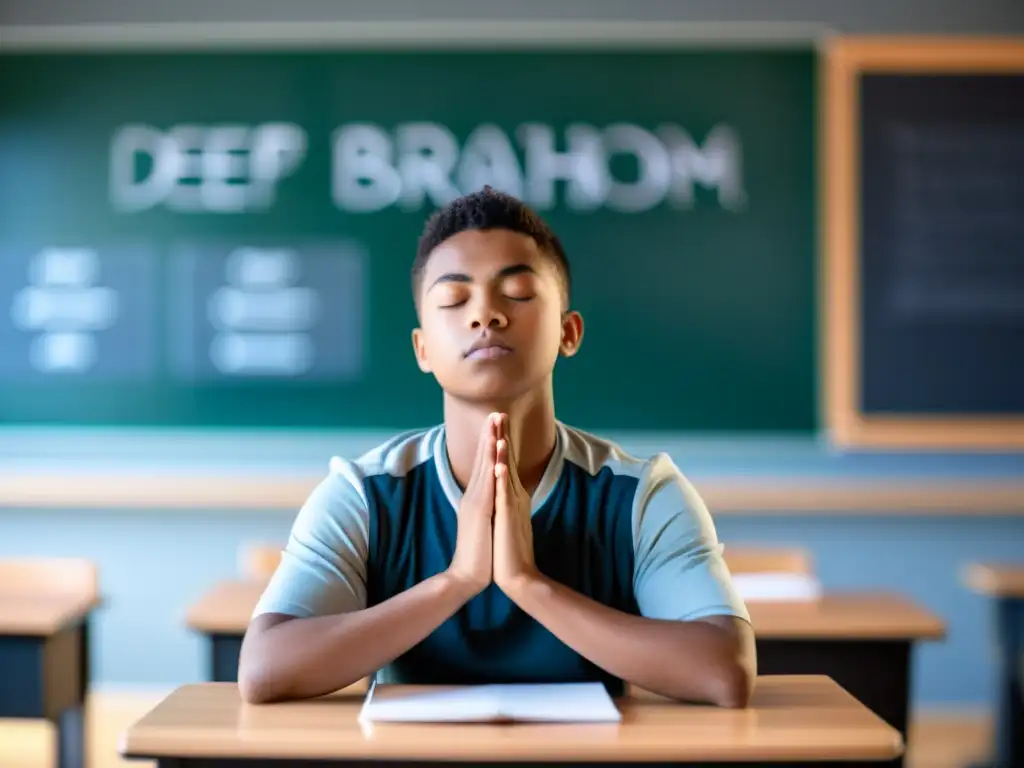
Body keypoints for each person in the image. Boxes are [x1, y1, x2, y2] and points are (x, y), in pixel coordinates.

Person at [238, 186, 755, 707]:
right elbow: (264, 670)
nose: (486, 314)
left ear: (568, 332)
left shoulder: (642, 494)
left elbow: (724, 671)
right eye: (453, 300)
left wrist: (527, 583)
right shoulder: (364, 494)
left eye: (519, 293)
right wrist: (458, 580)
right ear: (422, 349)